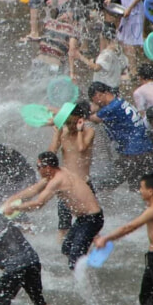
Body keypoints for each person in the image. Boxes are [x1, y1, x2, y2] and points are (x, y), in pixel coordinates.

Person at [6, 151, 104, 269]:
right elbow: (34, 189)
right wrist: (13, 198)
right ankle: (86, 268)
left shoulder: (57, 181)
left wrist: (15, 207)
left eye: (38, 167)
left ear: (47, 167)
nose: (37, 170)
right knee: (66, 248)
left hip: (92, 219)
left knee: (75, 259)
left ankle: (86, 283)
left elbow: (39, 204)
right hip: (84, 219)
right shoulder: (59, 171)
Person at [95, 173, 153, 305]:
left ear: (150, 191)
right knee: (145, 298)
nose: (140, 191)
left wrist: (106, 238)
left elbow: (129, 227)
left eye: (141, 188)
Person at [87, 81, 153, 188]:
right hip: (143, 148)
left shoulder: (110, 108)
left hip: (134, 152)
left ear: (99, 95)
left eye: (94, 101)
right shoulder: (119, 101)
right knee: (139, 186)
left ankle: (90, 193)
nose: (96, 104)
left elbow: (92, 118)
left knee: (108, 182)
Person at [49, 102, 96, 239]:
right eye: (66, 122)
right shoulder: (63, 133)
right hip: (66, 186)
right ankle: (61, 251)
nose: (69, 126)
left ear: (80, 119)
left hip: (84, 183)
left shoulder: (89, 131)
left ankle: (91, 253)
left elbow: (82, 149)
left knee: (91, 222)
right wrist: (57, 135)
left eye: (72, 122)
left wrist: (80, 131)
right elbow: (51, 154)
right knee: (63, 225)